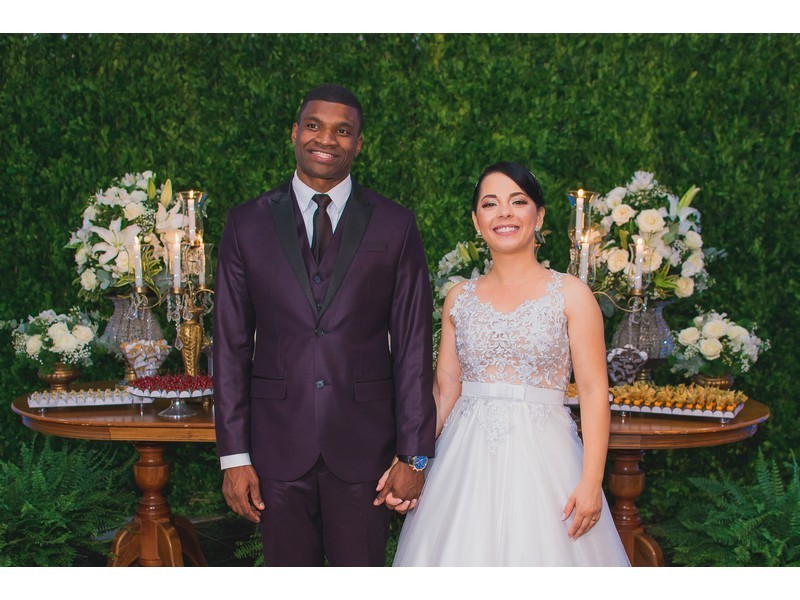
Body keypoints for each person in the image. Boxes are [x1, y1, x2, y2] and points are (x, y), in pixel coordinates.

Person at [213, 84, 436, 567]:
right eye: (314, 126)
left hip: (366, 450)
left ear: (359, 143)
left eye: (343, 130)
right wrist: (234, 457)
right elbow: (230, 348)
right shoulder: (246, 223)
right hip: (275, 449)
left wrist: (414, 455)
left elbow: (415, 348)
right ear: (294, 132)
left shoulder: (395, 224)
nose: (326, 139)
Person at [392, 161, 630, 566]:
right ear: (476, 221)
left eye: (518, 202)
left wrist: (592, 482)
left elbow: (593, 392)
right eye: (490, 204)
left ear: (539, 216)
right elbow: (445, 391)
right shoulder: (459, 298)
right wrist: (409, 459)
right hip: (463, 465)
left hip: (546, 462)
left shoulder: (572, 294)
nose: (504, 213)